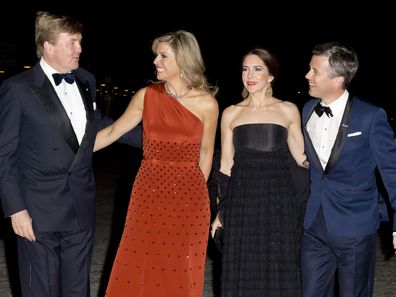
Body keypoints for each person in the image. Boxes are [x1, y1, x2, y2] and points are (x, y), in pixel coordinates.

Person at [0, 11, 141, 297]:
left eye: (80, 42)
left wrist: (157, 140)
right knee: (41, 289)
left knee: (78, 288)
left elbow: (96, 125)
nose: (80, 49)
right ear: (49, 46)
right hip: (37, 210)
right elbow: (4, 155)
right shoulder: (17, 88)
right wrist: (16, 209)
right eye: (73, 42)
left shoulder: (86, 80)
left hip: (80, 205)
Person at [94, 30, 219, 297]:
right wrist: (65, 154)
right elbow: (112, 132)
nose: (156, 61)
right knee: (139, 262)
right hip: (148, 192)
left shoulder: (207, 103)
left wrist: (196, 195)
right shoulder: (146, 96)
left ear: (183, 59)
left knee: (179, 268)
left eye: (163, 56)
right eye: (156, 56)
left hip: (190, 198)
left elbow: (206, 153)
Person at [210, 47, 309, 297]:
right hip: (242, 200)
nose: (249, 75)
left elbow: (301, 158)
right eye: (245, 69)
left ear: (271, 76)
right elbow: (225, 166)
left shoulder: (288, 110)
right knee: (244, 264)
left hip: (279, 200)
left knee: (278, 264)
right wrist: (220, 213)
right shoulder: (231, 113)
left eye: (257, 69)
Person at [301, 41, 396, 297]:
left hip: (355, 225)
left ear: (338, 79)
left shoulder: (371, 116)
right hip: (314, 224)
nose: (307, 75)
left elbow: (392, 172)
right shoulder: (308, 110)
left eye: (314, 71)